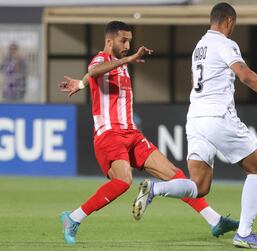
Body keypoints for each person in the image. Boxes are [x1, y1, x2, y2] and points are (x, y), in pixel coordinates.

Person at [133, 2, 257, 249]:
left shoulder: (199, 47)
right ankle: (244, 234)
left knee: (199, 186)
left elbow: (196, 81)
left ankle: (155, 190)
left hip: (195, 119)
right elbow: (245, 75)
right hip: (217, 116)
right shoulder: (225, 44)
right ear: (229, 21)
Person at [58, 21, 239, 245]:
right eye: (123, 41)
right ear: (109, 41)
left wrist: (81, 84)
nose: (127, 45)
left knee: (175, 175)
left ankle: (214, 220)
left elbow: (91, 77)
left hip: (131, 134)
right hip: (109, 134)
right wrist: (127, 59)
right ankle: (73, 218)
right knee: (124, 181)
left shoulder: (119, 64)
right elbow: (94, 70)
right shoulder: (103, 59)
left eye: (129, 41)